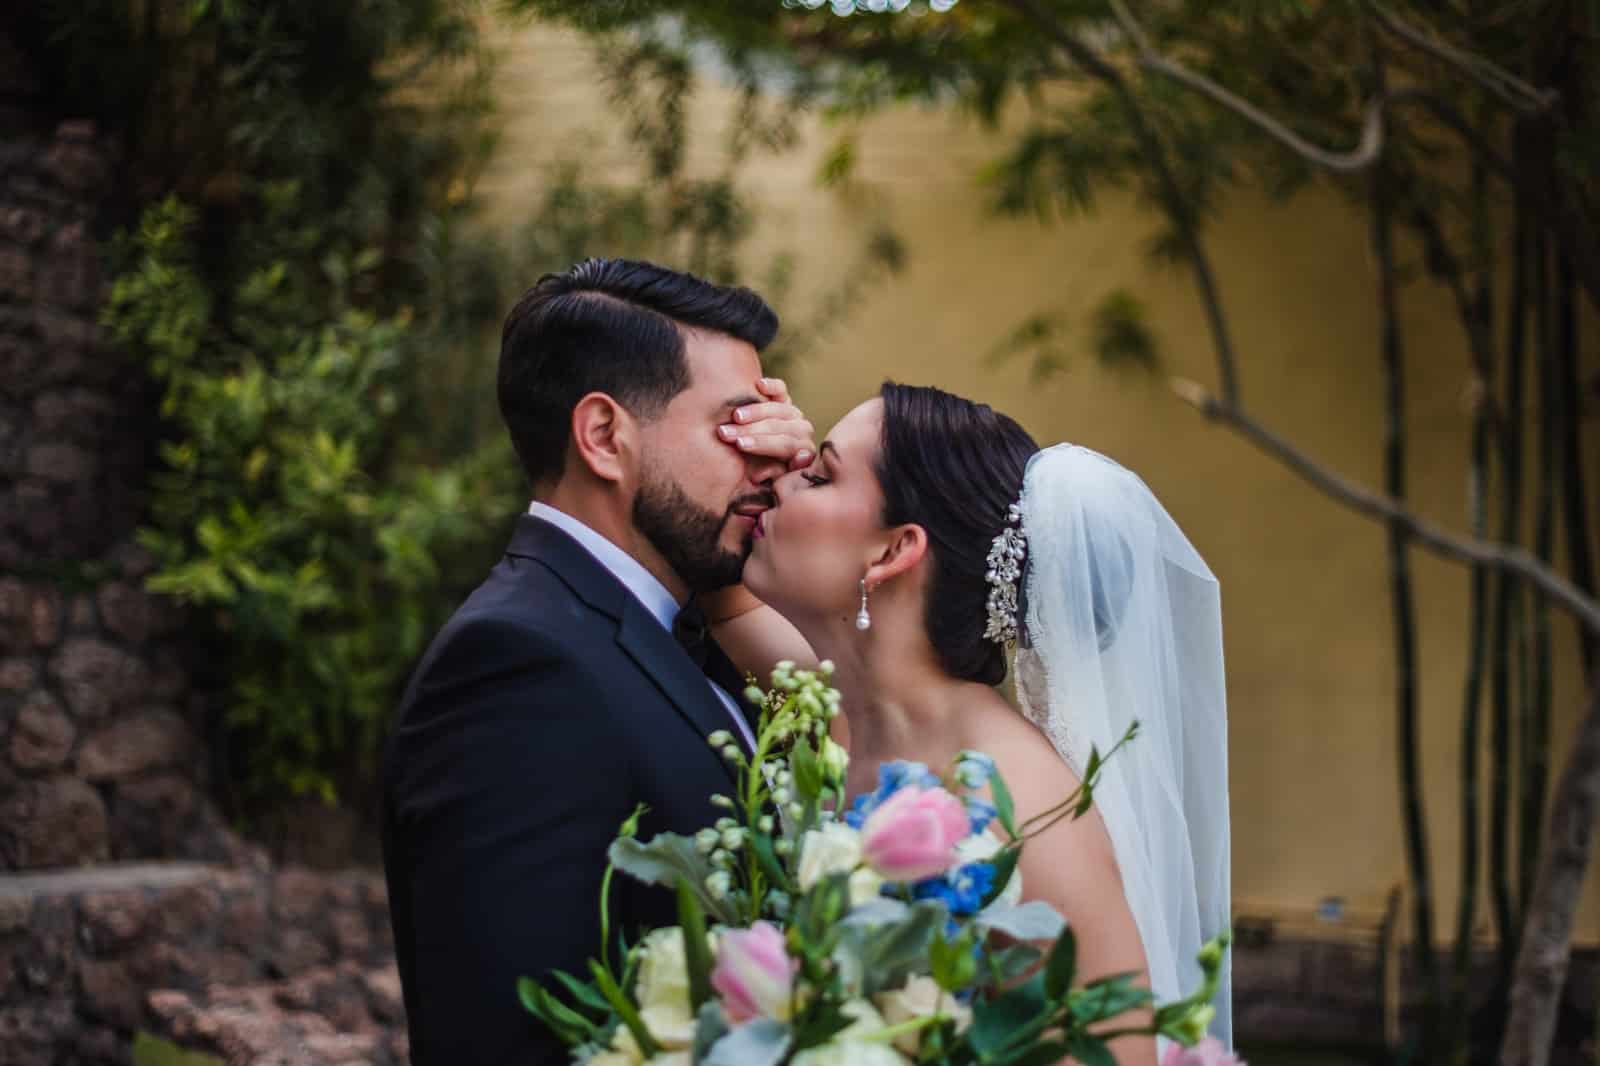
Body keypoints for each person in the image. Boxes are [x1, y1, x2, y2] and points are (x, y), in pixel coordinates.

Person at [709, 381, 1234, 1061]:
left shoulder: (1024, 809)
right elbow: (718, 596)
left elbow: (1114, 1052)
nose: (784, 483)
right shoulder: (831, 711)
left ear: (894, 551)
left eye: (819, 474)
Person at [380, 258, 815, 1066]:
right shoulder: (515, 665)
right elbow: (510, 1032)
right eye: (734, 425)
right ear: (605, 437)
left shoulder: (696, 625)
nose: (769, 456)